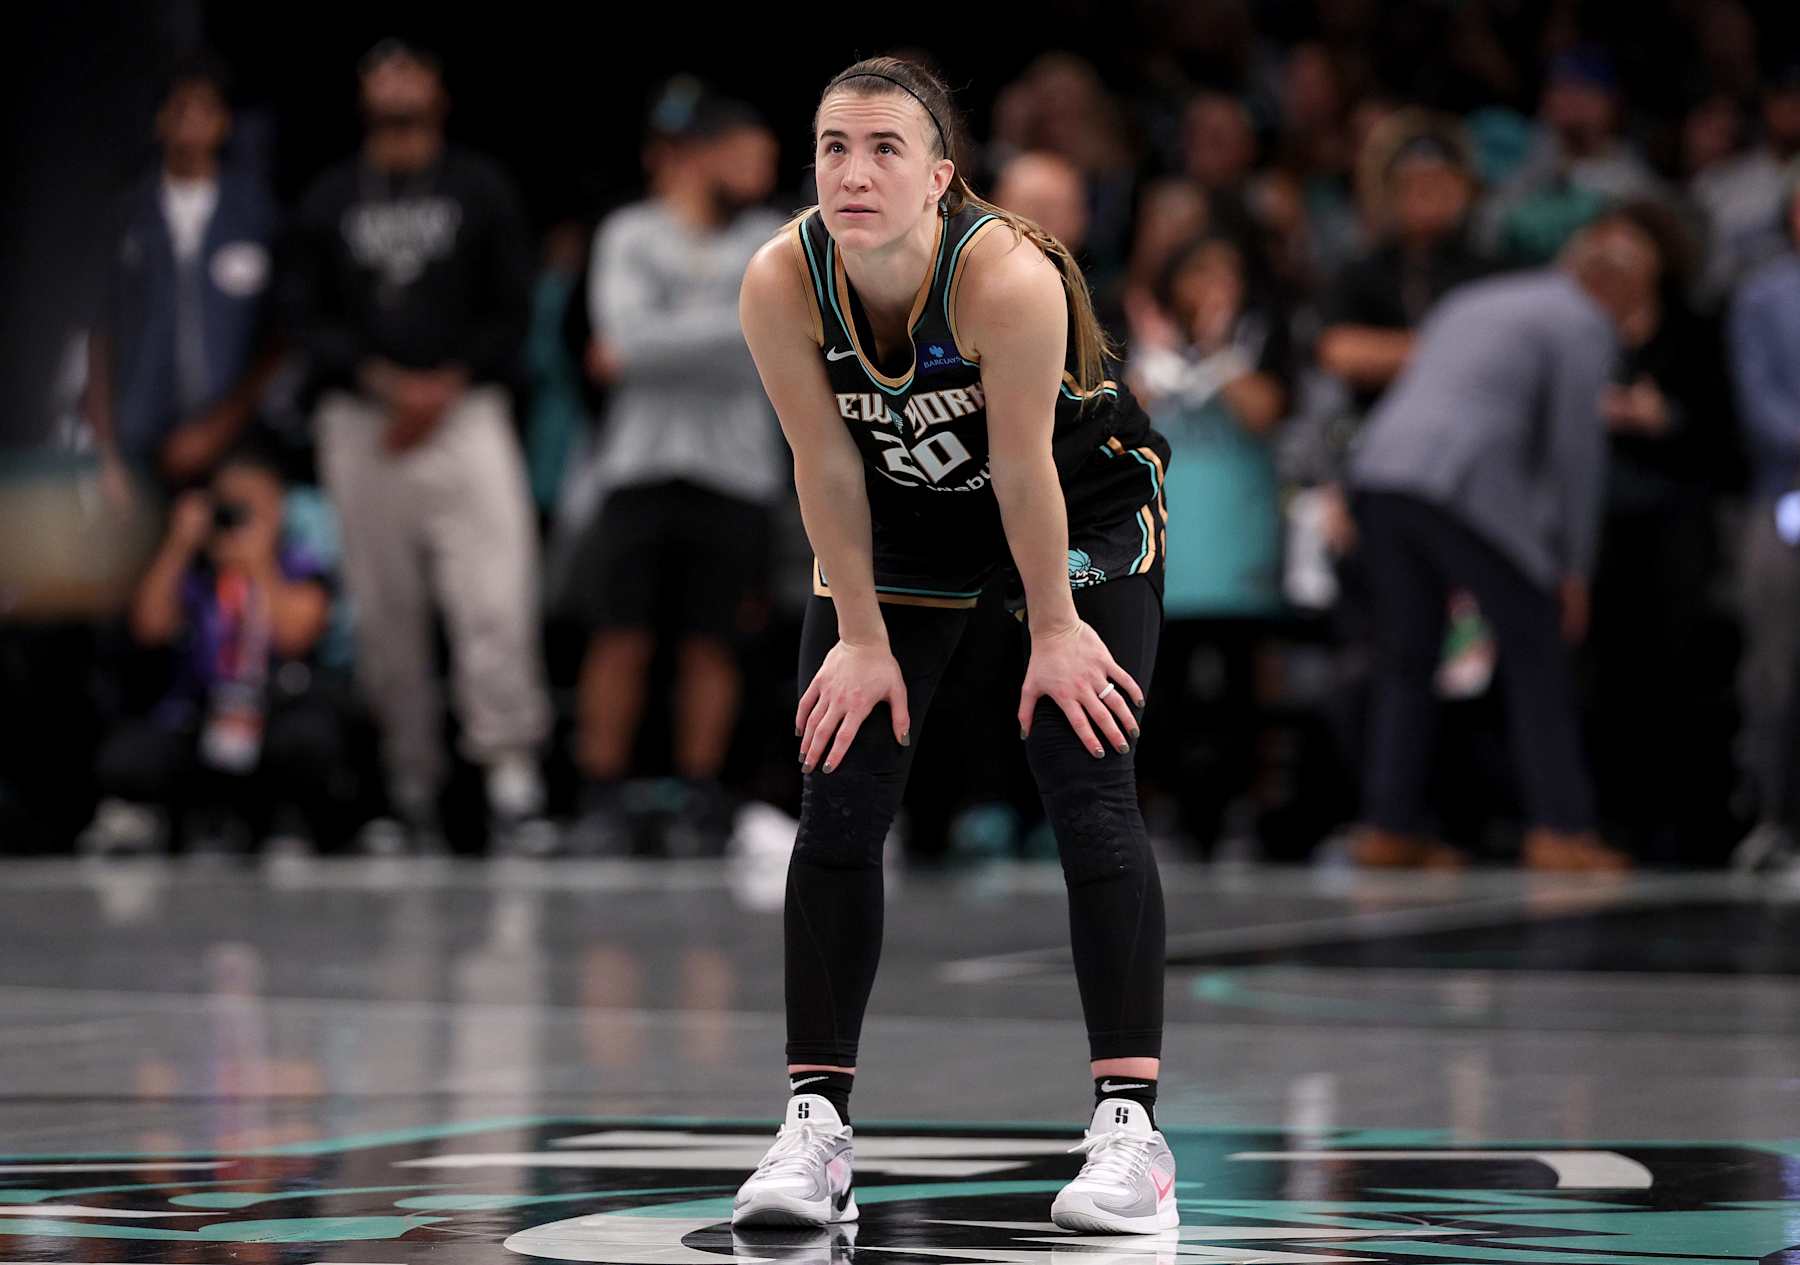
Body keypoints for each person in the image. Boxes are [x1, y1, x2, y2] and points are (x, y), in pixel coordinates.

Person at [729, 57, 1176, 1235]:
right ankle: (814, 1127)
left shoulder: (1006, 277)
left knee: (1087, 781)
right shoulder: (781, 278)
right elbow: (824, 467)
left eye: (884, 148)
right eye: (833, 145)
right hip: (911, 518)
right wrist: (863, 638)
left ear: (939, 176)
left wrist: (1058, 629)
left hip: (1073, 513)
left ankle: (1132, 1131)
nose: (853, 170)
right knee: (839, 788)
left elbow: (1024, 470)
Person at [284, 40, 551, 853]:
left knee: (495, 592)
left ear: (437, 86)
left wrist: (446, 383)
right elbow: (304, 315)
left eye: (412, 69)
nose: (397, 84)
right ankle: (410, 782)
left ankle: (509, 772)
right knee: (384, 608)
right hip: (365, 420)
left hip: (464, 408)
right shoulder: (330, 195)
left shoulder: (478, 187)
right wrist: (383, 384)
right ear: (363, 89)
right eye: (382, 69)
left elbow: (514, 306)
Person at [1348, 214, 1661, 872]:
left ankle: (1389, 825)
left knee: (1409, 656)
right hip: (1461, 483)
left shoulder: (1477, 298)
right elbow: (1576, 452)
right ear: (1620, 285)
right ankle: (1562, 827)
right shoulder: (1581, 320)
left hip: (1380, 471)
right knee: (1537, 647)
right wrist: (1571, 566)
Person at [567, 79, 785, 855]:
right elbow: (618, 338)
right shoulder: (630, 233)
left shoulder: (773, 238)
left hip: (735, 470)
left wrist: (649, 345)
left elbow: (639, 347)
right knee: (619, 634)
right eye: (746, 153)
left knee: (712, 640)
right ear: (700, 157)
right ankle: (601, 796)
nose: (761, 167)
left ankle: (698, 794)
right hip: (638, 464)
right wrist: (737, 325)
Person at [77, 445, 341, 855]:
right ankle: (170, 821)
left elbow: (295, 635)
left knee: (310, 740)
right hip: (202, 716)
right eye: (229, 504)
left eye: (252, 505)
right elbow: (149, 626)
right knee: (130, 753)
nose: (237, 517)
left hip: (270, 715)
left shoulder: (297, 565)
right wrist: (179, 544)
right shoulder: (195, 568)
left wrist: (258, 566)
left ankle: (286, 821)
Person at [86, 54, 281, 501]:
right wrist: (105, 452)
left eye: (205, 108)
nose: (192, 120)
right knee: (144, 564)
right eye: (180, 109)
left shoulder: (257, 214)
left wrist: (223, 423)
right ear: (159, 122)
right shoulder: (127, 215)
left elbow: (280, 335)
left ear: (225, 123)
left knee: (239, 560)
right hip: (142, 437)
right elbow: (102, 336)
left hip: (238, 434)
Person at [1729, 165, 1800, 863]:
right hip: (1786, 494)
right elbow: (1762, 408)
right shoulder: (1764, 295)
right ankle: (1773, 816)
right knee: (1773, 666)